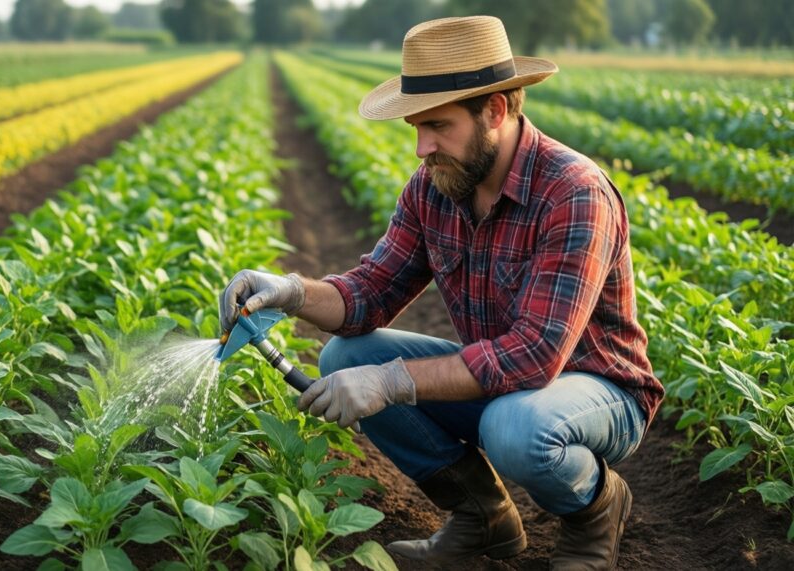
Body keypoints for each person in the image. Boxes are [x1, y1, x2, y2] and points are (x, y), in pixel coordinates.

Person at [219, 15, 664, 570]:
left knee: (514, 426)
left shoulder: (572, 193)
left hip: (598, 394)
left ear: (495, 111)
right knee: (346, 355)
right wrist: (286, 291)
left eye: (438, 126)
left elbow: (534, 355)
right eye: (416, 128)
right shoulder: (436, 185)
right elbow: (369, 293)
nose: (421, 147)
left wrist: (393, 381)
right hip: (505, 384)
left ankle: (595, 510)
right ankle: (483, 517)